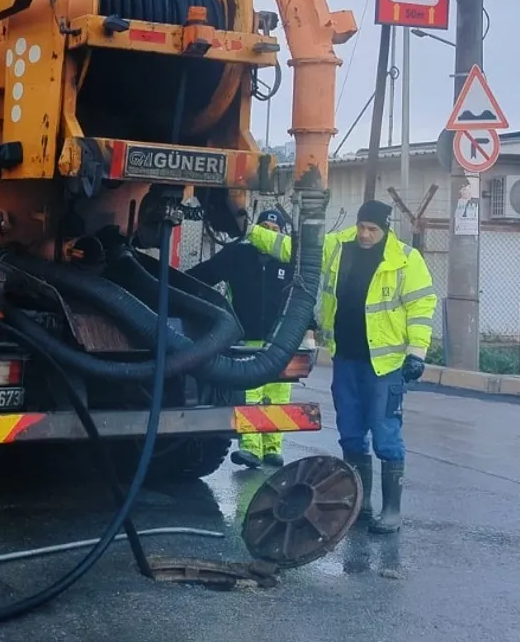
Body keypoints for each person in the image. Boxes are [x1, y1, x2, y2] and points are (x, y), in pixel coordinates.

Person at [248, 199, 437, 534]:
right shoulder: (338, 246)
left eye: (372, 229)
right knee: (351, 434)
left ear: (385, 229)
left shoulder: (406, 260)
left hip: (385, 366)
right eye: (362, 227)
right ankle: (359, 504)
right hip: (346, 358)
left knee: (385, 435)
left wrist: (416, 353)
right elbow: (292, 249)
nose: (365, 234)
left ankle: (391, 511)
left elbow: (421, 306)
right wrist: (251, 231)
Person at [187, 208, 297, 469]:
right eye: (265, 229)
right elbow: (204, 274)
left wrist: (309, 328)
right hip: (245, 339)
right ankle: (250, 449)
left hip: (279, 341)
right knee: (250, 394)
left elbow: (302, 296)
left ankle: (272, 449)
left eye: (275, 231)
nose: (269, 235)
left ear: (282, 234)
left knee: (277, 396)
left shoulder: (289, 261)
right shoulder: (237, 254)